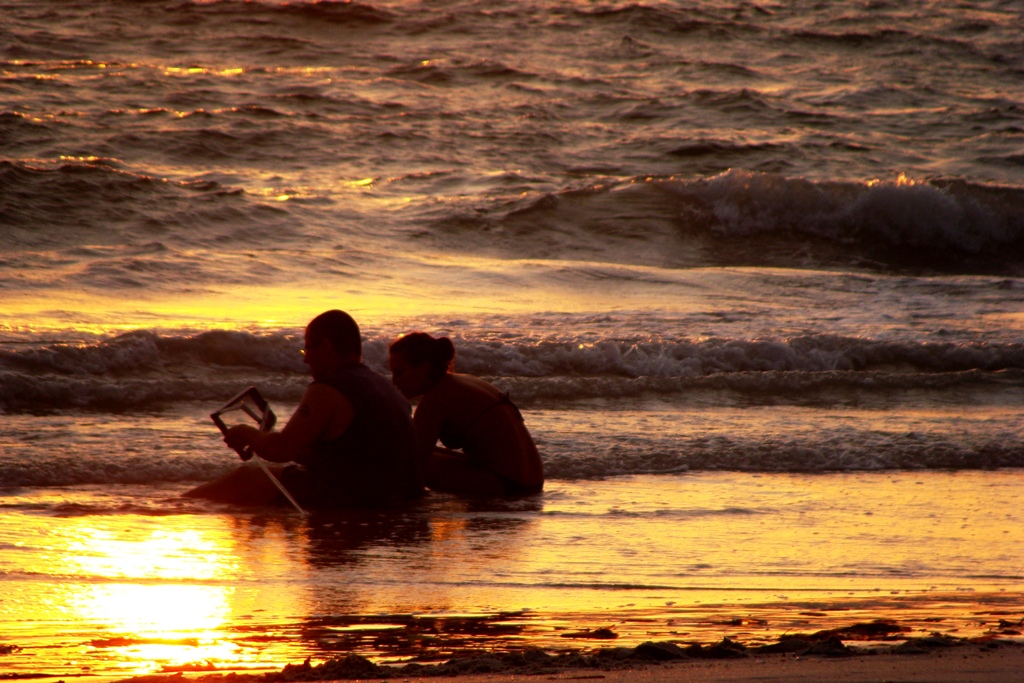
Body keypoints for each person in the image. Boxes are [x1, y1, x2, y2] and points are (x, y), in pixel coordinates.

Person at [186, 310, 423, 508]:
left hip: (358, 499)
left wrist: (248, 434)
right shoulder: (385, 386)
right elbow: (353, 454)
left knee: (245, 479)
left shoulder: (328, 388)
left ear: (326, 346)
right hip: (401, 496)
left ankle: (177, 508)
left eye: (307, 349)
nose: (305, 359)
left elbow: (280, 450)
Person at [388, 332, 544, 497]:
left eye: (400, 373)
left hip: (510, 487)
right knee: (409, 451)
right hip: (531, 482)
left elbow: (413, 466)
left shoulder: (436, 399)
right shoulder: (459, 381)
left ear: (424, 367)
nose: (394, 381)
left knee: (398, 458)